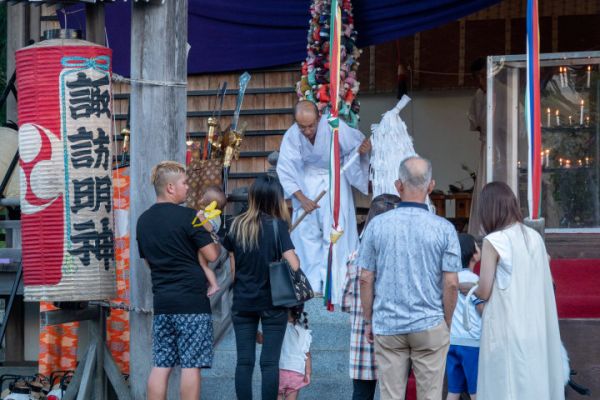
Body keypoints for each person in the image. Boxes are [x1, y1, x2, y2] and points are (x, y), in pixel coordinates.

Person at [358, 156, 461, 400]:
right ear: (431, 186)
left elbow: (365, 278)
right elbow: (451, 283)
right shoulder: (444, 229)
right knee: (430, 395)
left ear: (398, 185)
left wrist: (368, 319)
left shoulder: (377, 226)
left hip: (388, 323)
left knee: (390, 395)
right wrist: (446, 321)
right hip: (430, 322)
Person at [136, 161, 221, 400]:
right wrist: (211, 232)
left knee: (161, 364)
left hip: (163, 301)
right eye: (184, 183)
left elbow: (149, 262)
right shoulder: (190, 217)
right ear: (170, 188)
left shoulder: (143, 221)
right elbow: (212, 255)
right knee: (191, 365)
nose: (188, 188)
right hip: (192, 301)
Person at [474, 182, 565, 400]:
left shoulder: (493, 241)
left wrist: (468, 288)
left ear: (488, 209)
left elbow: (484, 290)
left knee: (504, 386)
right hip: (534, 325)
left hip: (504, 326)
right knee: (531, 384)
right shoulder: (534, 237)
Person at [276, 100, 371, 301]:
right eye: (302, 127)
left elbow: (354, 147)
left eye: (311, 126)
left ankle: (337, 288)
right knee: (306, 236)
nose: (307, 131)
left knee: (335, 233)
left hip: (334, 180)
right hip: (306, 183)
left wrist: (362, 149)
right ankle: (310, 287)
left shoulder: (333, 125)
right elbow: (285, 168)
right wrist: (302, 198)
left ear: (319, 118)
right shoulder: (292, 134)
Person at [223, 175, 301, 400]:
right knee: (269, 363)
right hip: (273, 302)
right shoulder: (278, 226)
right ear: (276, 198)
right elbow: (294, 265)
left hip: (243, 300)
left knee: (244, 362)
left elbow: (233, 270)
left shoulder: (235, 225)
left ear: (253, 197)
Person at [342, 193, 401, 400]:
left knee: (361, 393)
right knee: (395, 392)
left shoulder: (356, 257)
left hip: (363, 337)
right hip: (397, 335)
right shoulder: (403, 257)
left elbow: (346, 302)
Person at [446, 233, 483, 400]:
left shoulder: (451, 280)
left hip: (452, 340)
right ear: (473, 254)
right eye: (477, 246)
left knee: (453, 391)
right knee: (476, 391)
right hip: (472, 342)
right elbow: (481, 308)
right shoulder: (475, 280)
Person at [467, 58, 487, 236]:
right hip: (487, 147)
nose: (481, 81)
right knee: (483, 186)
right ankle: (481, 230)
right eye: (477, 77)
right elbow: (476, 124)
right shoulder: (479, 96)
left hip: (505, 149)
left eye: (483, 76)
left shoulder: (504, 92)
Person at [197, 186, 227, 296]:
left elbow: (209, 228)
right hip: (208, 242)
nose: (200, 199)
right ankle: (210, 283)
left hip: (208, 243)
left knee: (203, 265)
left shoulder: (212, 217)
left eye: (203, 197)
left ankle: (214, 285)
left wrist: (201, 217)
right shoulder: (211, 214)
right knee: (203, 265)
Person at [277, 306, 312, 400]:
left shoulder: (277, 330)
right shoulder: (304, 332)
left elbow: (262, 340)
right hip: (296, 373)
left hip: (280, 370)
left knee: (278, 395)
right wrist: (308, 374)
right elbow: (307, 355)